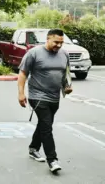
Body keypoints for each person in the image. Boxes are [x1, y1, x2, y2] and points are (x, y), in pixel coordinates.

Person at [17, 28, 73, 173]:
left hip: (54, 97)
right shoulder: (34, 53)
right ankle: (52, 159)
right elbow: (23, 73)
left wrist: (66, 86)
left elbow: (65, 73)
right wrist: (21, 94)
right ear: (48, 39)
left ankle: (33, 148)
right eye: (56, 42)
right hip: (37, 96)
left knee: (44, 124)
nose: (59, 45)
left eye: (61, 42)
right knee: (47, 126)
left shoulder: (64, 54)